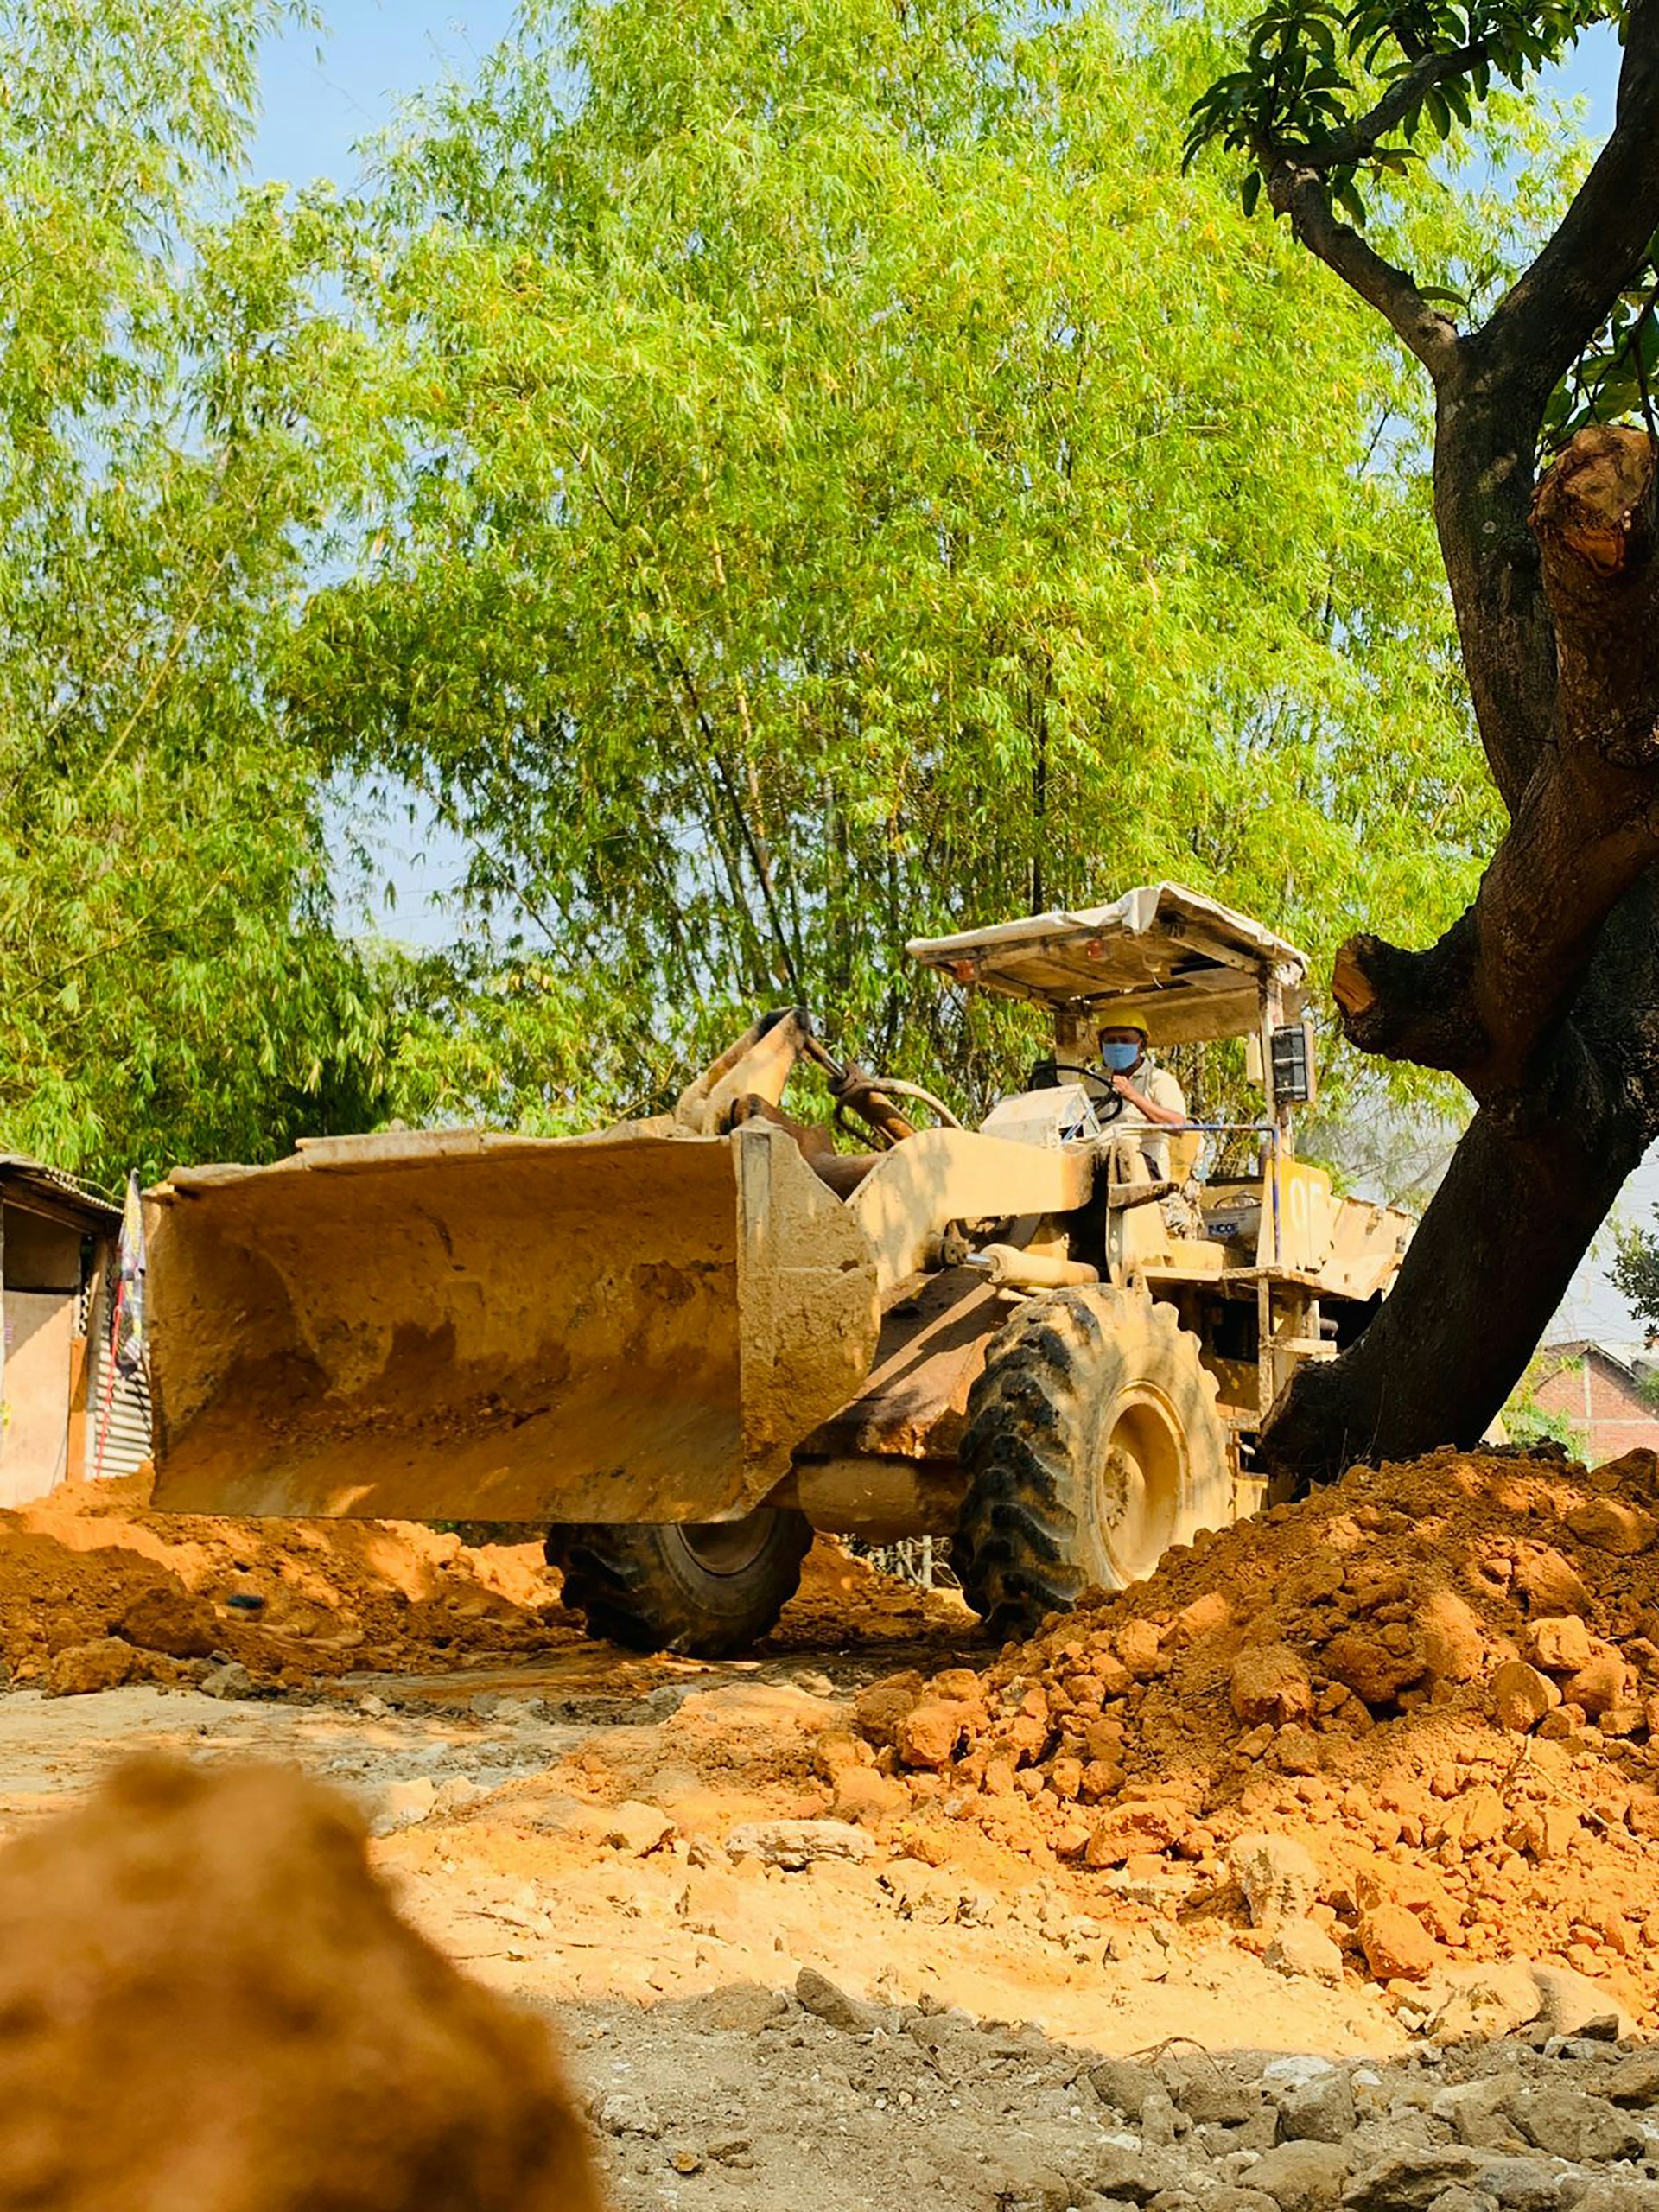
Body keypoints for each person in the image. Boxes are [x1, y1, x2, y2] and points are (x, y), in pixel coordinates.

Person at [1088, 1023, 1186, 1180]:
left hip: (1144, 1167)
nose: (1118, 1046)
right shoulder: (1094, 1082)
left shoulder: (1159, 1080)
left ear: (1142, 1045)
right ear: (1101, 1045)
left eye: (1125, 1041)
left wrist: (1133, 1095)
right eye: (1111, 1041)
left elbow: (1178, 1125)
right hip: (1101, 1166)